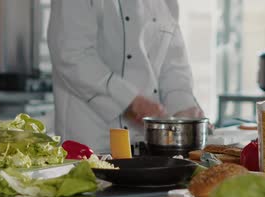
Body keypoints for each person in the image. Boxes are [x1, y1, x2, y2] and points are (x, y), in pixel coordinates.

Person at [48, 0, 205, 153]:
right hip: (92, 142)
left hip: (147, 144)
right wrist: (129, 100)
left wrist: (183, 110)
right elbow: (72, 55)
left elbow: (173, 65)